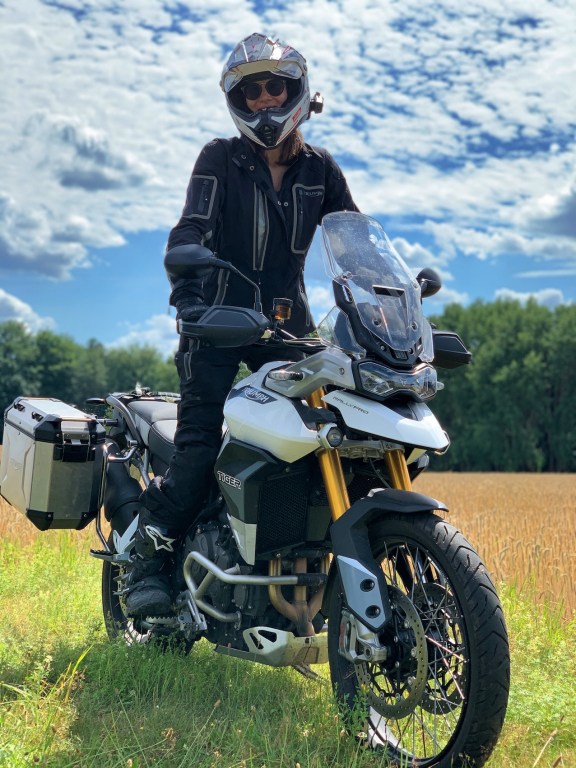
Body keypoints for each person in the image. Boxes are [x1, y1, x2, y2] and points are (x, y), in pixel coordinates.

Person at [125, 32, 359, 618]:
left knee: (326, 440)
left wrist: (376, 304)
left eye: (274, 86)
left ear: (296, 92)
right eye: (251, 90)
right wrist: (191, 299)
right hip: (219, 327)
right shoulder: (219, 159)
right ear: (238, 99)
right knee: (200, 450)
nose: (263, 100)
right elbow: (190, 231)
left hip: (290, 333)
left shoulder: (319, 170)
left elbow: (352, 243)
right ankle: (145, 563)